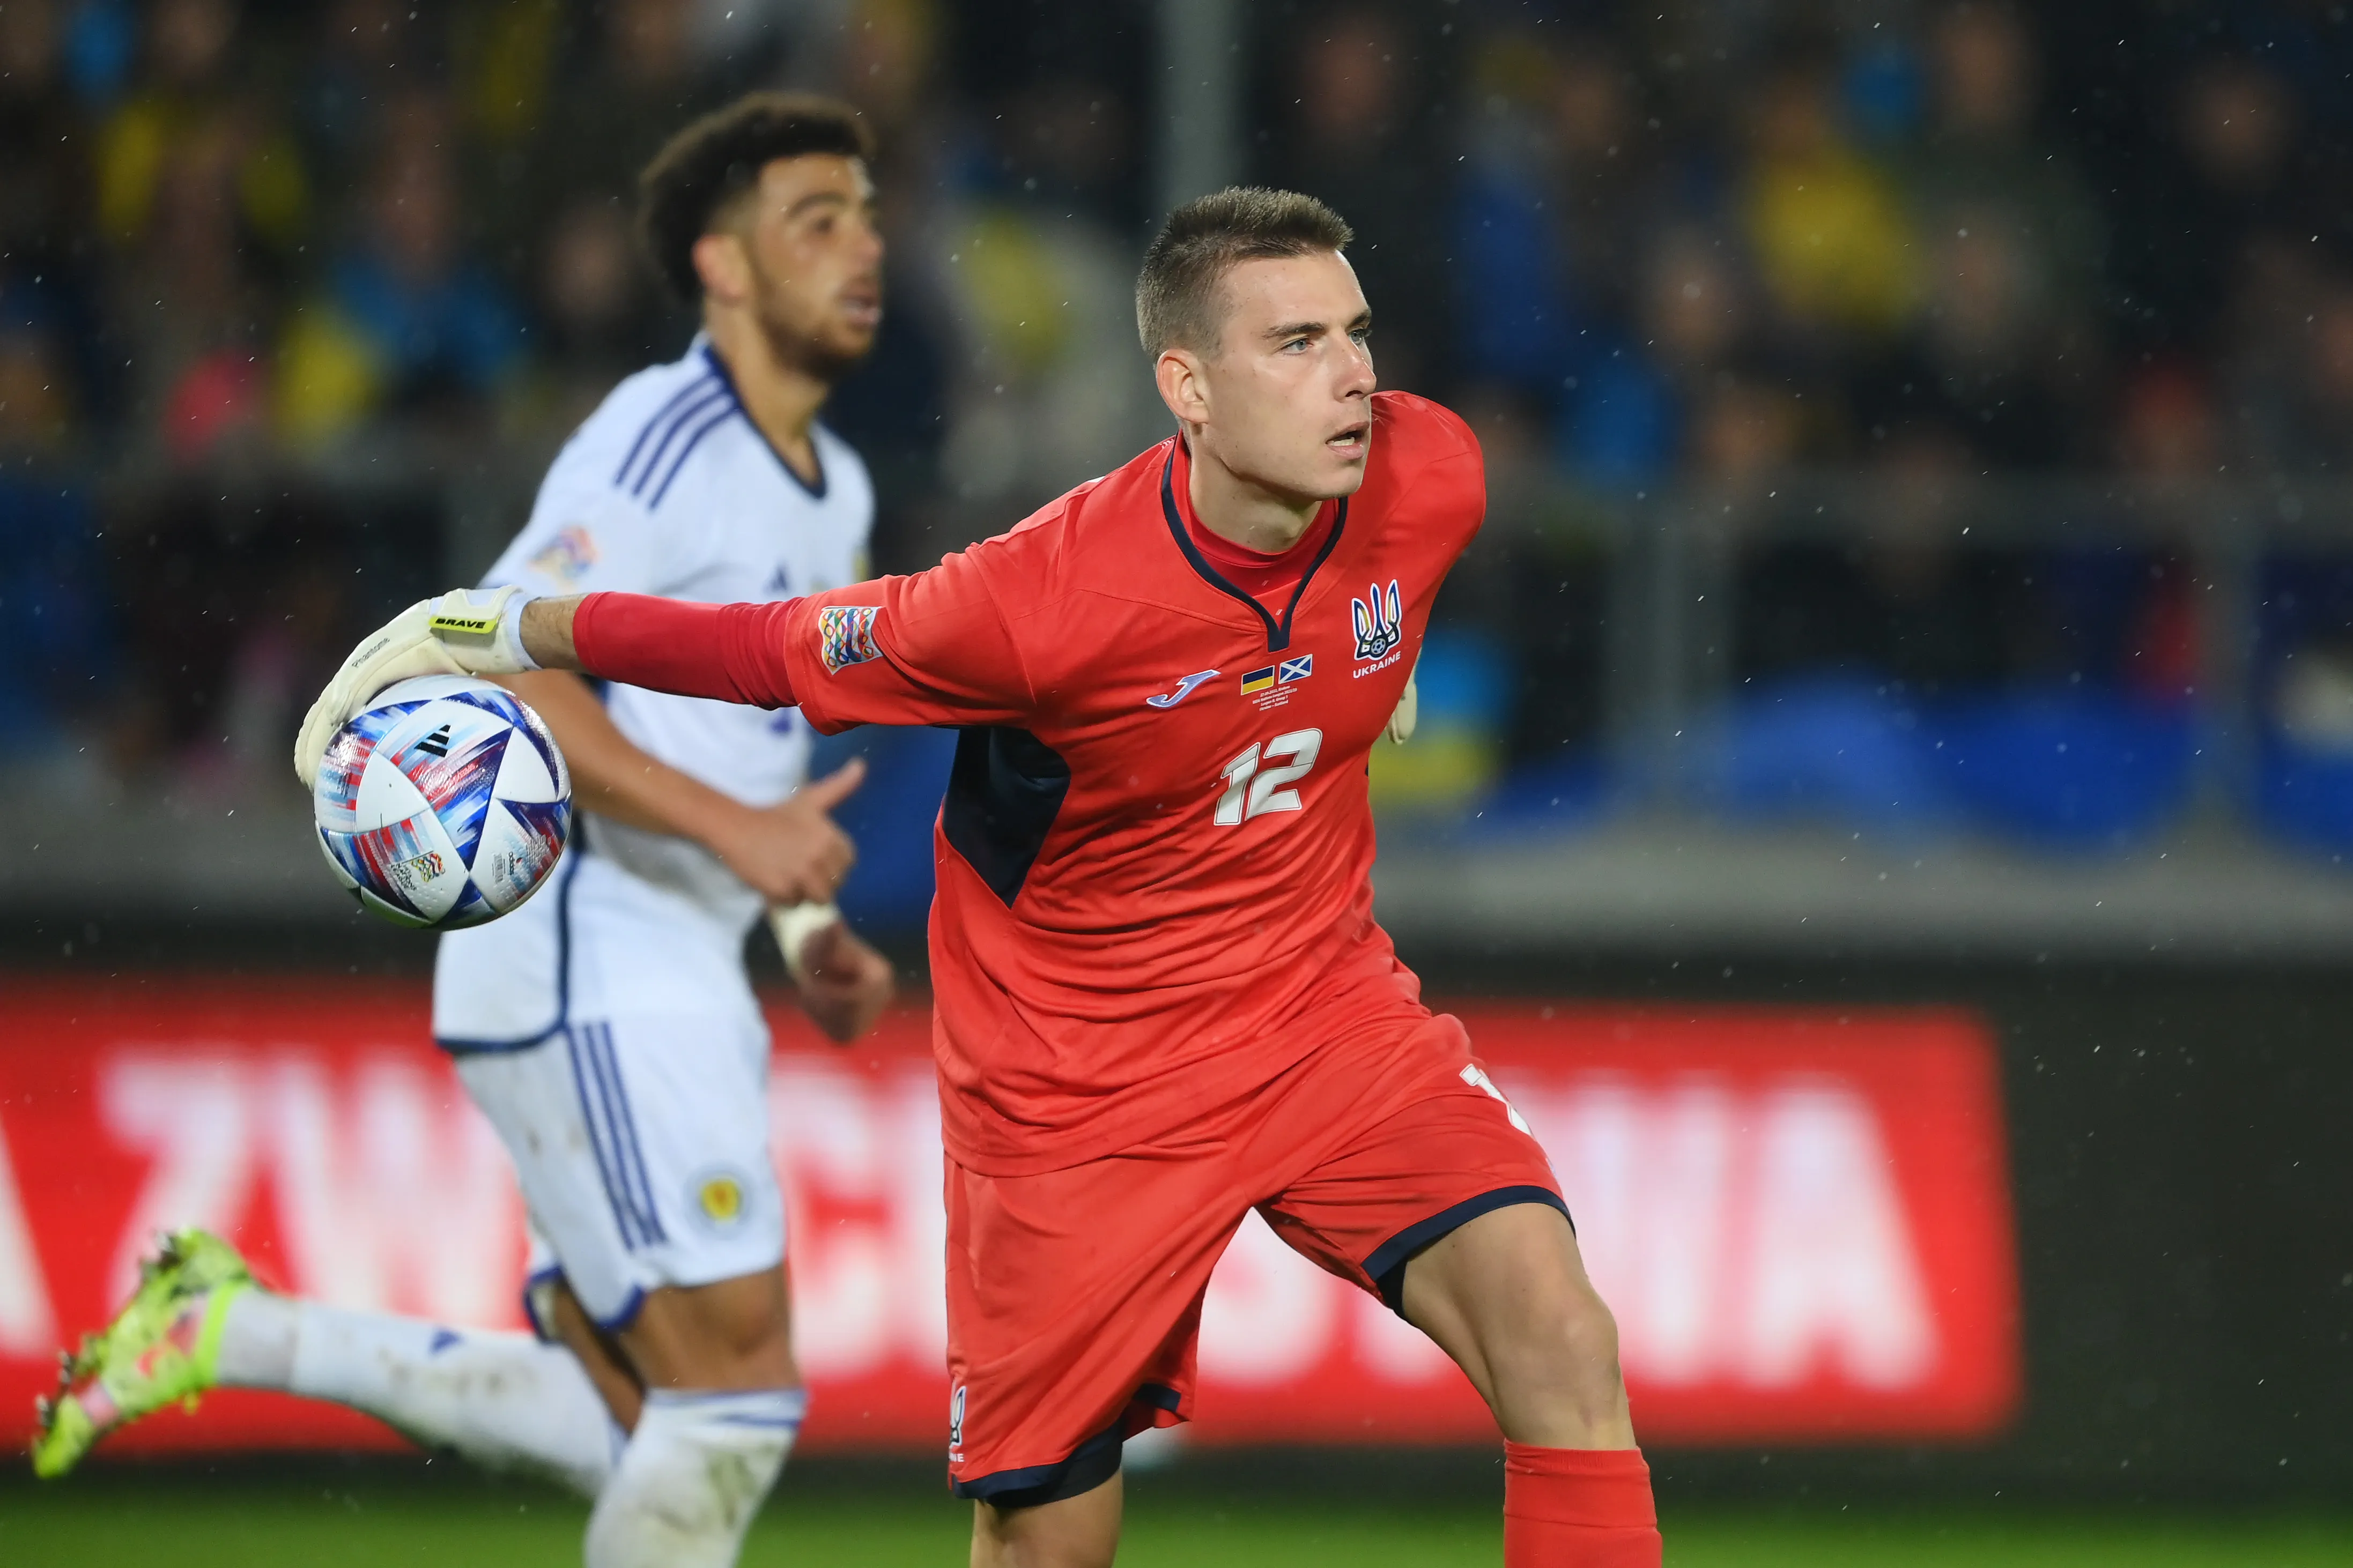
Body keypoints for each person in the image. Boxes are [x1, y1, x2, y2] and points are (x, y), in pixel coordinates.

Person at [296, 187, 1660, 1567]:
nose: (1355, 376)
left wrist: (1364, 668)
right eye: (1296, 342)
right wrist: (498, 626)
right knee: (1047, 1545)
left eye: (1357, 332)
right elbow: (765, 648)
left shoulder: (1429, 474)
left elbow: (1356, 605)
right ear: (1185, 386)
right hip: (1079, 1086)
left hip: (1325, 1018)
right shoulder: (1039, 604)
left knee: (1560, 1339)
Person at [34, 93, 899, 1568]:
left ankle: (240, 1327)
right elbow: (501, 655)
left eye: (866, 214)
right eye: (815, 221)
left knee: (642, 1414)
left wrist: (803, 922)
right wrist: (741, 849)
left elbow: (743, 763)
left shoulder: (841, 489)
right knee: (735, 1399)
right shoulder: (660, 435)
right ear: (725, 267)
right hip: (591, 949)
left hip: (665, 957)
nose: (862, 247)